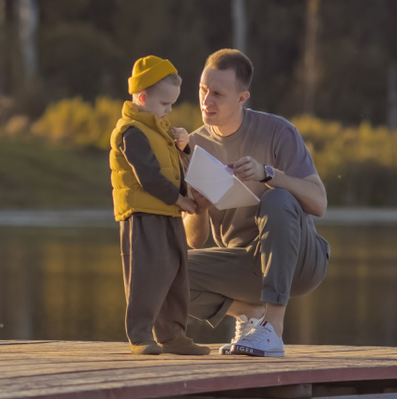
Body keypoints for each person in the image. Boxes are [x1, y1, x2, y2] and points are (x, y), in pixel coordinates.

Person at [183, 48, 330, 358]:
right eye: (202, 89)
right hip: (245, 264)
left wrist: (268, 175)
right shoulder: (193, 146)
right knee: (165, 270)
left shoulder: (278, 132)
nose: (206, 100)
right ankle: (249, 314)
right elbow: (194, 239)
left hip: (301, 262)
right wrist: (202, 207)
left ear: (242, 98)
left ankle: (272, 328)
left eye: (217, 94)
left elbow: (319, 203)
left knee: (277, 198)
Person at [109, 55, 212, 355]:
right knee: (147, 274)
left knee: (175, 272)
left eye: (172, 104)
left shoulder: (161, 130)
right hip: (142, 215)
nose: (169, 110)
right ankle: (140, 336)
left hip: (168, 213)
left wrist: (185, 146)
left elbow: (177, 168)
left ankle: (173, 335)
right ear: (142, 98)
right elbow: (149, 176)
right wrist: (181, 200)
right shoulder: (131, 132)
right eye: (165, 103)